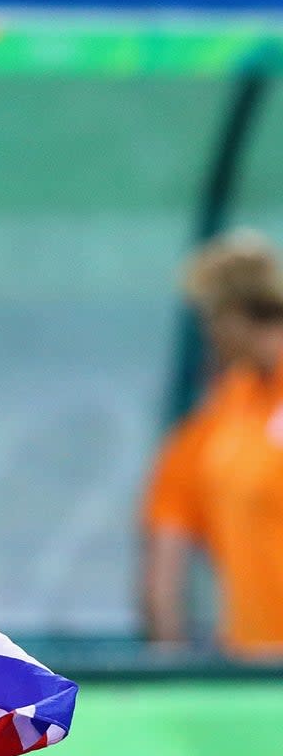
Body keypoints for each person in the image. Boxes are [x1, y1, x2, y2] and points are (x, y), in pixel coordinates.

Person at [141, 229, 283, 661]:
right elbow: (168, 535)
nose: (207, 335)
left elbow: (166, 552)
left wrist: (169, 650)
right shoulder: (223, 413)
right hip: (253, 666)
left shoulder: (222, 423)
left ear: (233, 315)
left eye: (208, 319)